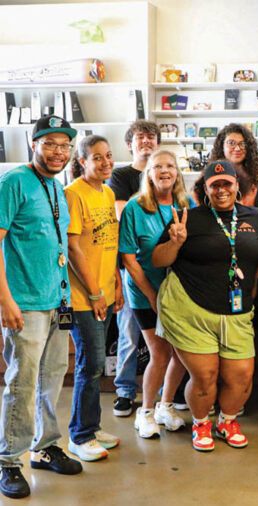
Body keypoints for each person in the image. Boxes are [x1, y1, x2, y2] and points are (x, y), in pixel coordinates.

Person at [153, 160, 258, 452]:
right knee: (205, 376)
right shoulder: (188, 218)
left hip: (237, 311)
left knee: (241, 378)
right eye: (214, 185)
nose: (221, 190)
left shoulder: (257, 218)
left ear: (237, 185)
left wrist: (252, 284)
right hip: (191, 310)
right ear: (205, 189)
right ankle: (201, 423)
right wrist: (175, 242)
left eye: (226, 183)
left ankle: (227, 421)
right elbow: (158, 260)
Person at [0, 115, 83, 499]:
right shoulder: (14, 182)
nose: (58, 152)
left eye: (64, 146)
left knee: (52, 379)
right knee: (23, 384)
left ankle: (45, 446)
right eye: (49, 143)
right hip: (26, 304)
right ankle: (8, 460)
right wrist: (5, 300)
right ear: (34, 145)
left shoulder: (56, 187)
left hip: (57, 301)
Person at [119, 150, 193, 438]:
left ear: (177, 173)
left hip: (179, 293)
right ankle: (146, 411)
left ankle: (166, 405)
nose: (165, 171)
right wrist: (151, 295)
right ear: (148, 174)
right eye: (158, 166)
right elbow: (128, 259)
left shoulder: (187, 205)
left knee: (181, 354)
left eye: (170, 166)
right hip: (144, 292)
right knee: (160, 353)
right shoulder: (135, 208)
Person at [64, 135, 123, 462]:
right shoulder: (74, 194)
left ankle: (92, 426)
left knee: (96, 366)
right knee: (91, 364)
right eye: (97, 157)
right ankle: (80, 435)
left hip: (105, 292)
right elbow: (73, 248)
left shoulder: (108, 192)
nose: (105, 162)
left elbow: (108, 243)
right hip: (83, 298)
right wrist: (96, 292)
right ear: (82, 161)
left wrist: (115, 283)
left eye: (108, 155)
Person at [108, 119, 161, 417]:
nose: (146, 141)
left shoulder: (162, 173)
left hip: (161, 266)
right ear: (130, 144)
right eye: (140, 137)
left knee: (164, 335)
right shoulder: (121, 175)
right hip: (130, 265)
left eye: (151, 137)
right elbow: (123, 214)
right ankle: (125, 391)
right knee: (129, 331)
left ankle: (165, 392)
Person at [194, 123, 258, 206]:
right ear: (221, 146)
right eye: (231, 143)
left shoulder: (256, 180)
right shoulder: (208, 177)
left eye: (242, 144)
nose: (237, 148)